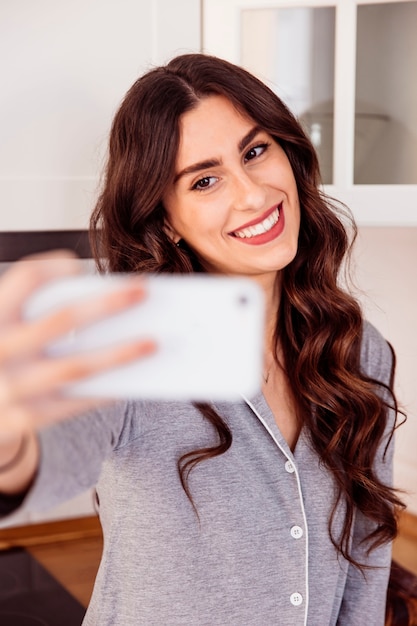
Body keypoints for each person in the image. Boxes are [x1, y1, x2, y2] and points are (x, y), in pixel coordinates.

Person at [0, 54, 404, 625]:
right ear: (166, 219)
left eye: (255, 151)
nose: (252, 194)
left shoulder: (361, 351)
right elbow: (52, 450)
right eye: (205, 180)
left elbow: (366, 556)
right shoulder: (132, 343)